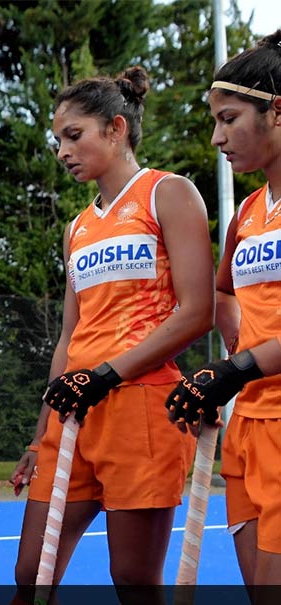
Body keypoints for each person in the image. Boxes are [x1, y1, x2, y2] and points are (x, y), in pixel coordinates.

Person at [10, 66, 214, 602]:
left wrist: (105, 375)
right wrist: (40, 433)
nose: (62, 151)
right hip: (75, 412)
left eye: (73, 136)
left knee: (133, 581)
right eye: (58, 140)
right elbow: (69, 337)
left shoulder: (168, 194)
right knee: (31, 573)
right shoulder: (76, 227)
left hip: (141, 409)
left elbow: (197, 313)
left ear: (116, 128)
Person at [164, 30, 281, 595]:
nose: (216, 137)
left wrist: (236, 370)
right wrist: (232, 366)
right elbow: (226, 295)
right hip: (249, 428)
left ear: (276, 111)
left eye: (228, 118)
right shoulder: (251, 212)